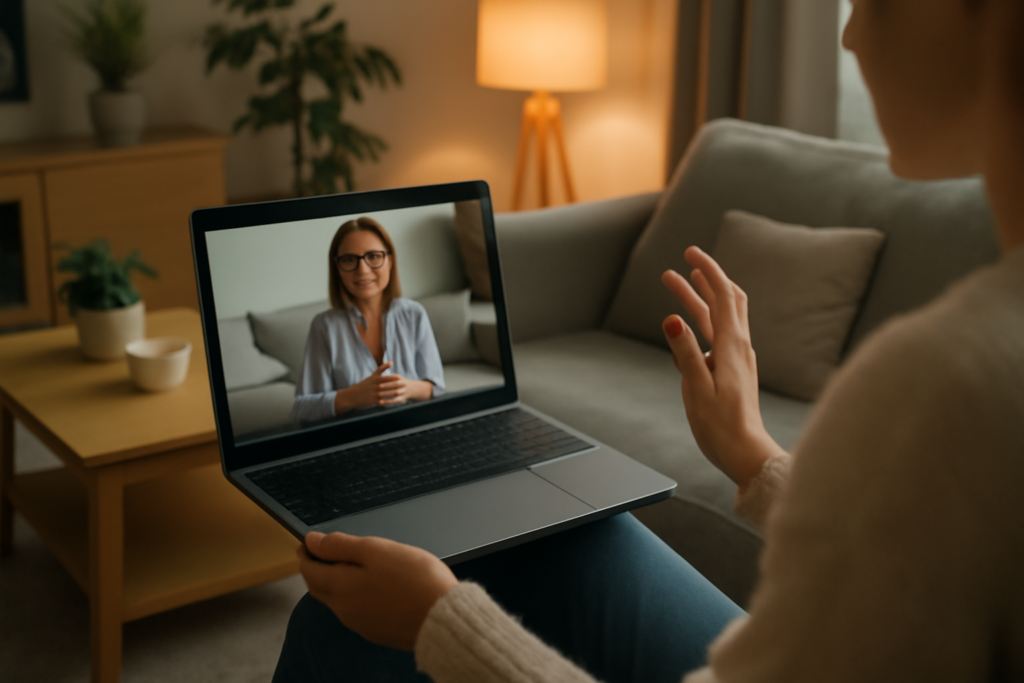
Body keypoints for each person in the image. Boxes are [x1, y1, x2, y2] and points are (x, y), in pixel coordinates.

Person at [273, 0, 1024, 680]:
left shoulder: (943, 381)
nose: (849, 34)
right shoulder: (972, 369)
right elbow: (912, 570)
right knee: (578, 534)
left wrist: (444, 624)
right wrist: (753, 453)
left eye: (875, 2)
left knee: (334, 626)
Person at [292, 217, 445, 423]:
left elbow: (437, 389)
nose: (362, 270)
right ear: (337, 268)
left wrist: (408, 389)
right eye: (349, 259)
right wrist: (353, 396)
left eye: (373, 256)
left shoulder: (414, 313)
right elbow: (302, 409)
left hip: (411, 426)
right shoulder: (324, 326)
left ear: (390, 261)